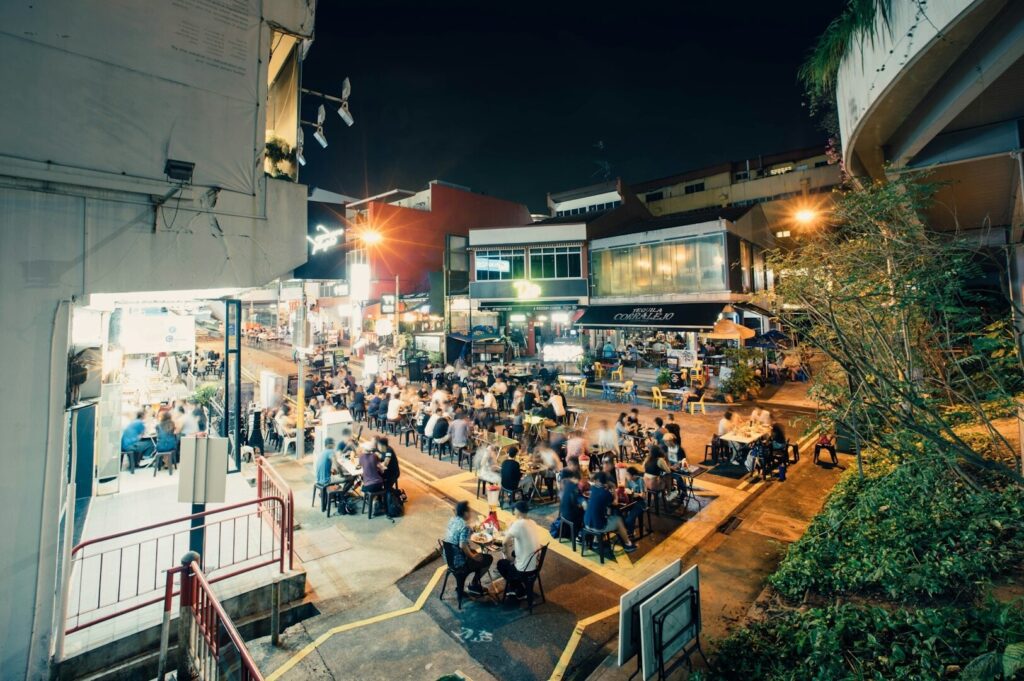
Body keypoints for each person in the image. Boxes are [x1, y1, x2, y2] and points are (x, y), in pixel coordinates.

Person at [445, 501, 492, 597]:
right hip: (459, 562)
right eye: (469, 511)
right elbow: (462, 546)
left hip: (448, 558)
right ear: (465, 513)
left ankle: (471, 584)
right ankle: (474, 584)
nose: (470, 513)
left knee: (475, 553)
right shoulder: (464, 526)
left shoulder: (452, 520)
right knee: (487, 559)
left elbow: (458, 536)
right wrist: (473, 557)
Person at [498, 501, 544, 598]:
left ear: (518, 511)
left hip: (524, 570)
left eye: (514, 509)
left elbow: (504, 542)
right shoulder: (532, 522)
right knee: (515, 553)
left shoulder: (518, 524)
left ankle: (518, 589)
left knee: (501, 564)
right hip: (535, 566)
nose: (513, 511)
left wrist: (508, 556)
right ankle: (518, 587)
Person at [583, 472, 638, 553]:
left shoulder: (593, 488)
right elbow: (615, 503)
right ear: (606, 482)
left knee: (599, 515)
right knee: (618, 520)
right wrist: (614, 490)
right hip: (598, 526)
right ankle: (628, 545)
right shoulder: (606, 493)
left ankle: (596, 542)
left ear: (597, 480)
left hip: (586, 523)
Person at [622, 466, 647, 538]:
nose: (626, 476)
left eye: (628, 475)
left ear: (633, 475)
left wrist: (636, 494)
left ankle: (630, 533)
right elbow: (626, 490)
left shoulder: (640, 480)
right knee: (622, 514)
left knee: (629, 518)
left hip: (640, 503)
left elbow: (643, 496)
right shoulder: (628, 480)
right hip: (631, 501)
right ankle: (628, 530)